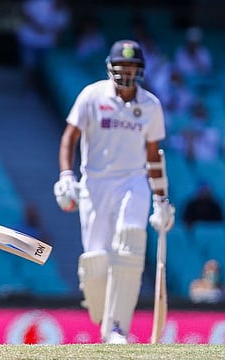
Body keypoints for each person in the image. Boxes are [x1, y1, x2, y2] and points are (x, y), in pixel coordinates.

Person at [53, 40, 175, 344]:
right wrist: (66, 175)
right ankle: (102, 314)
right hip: (94, 184)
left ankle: (118, 326)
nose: (127, 73)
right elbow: (70, 138)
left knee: (130, 243)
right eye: (122, 68)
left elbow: (152, 153)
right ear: (111, 68)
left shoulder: (150, 106)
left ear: (141, 71)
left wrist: (161, 199)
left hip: (133, 182)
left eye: (133, 68)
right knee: (96, 260)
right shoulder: (92, 96)